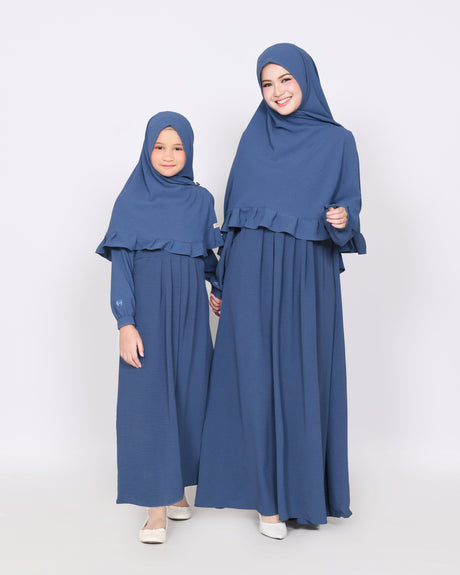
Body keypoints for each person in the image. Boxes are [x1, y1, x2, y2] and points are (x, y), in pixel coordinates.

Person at [195, 43, 366, 539]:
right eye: (267, 83)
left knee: (301, 377)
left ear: (305, 78)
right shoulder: (254, 138)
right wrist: (221, 282)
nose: (277, 91)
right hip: (250, 274)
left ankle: (302, 495)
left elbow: (348, 208)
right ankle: (267, 502)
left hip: (307, 274)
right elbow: (234, 217)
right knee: (253, 378)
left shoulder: (338, 141)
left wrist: (342, 219)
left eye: (285, 79)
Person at [96, 112, 223, 544]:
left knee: (189, 398)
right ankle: (156, 511)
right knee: (149, 405)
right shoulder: (130, 200)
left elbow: (205, 256)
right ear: (147, 149)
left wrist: (219, 287)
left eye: (178, 147)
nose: (168, 156)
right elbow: (121, 267)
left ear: (189, 151)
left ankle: (177, 489)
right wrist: (125, 322)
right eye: (159, 147)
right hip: (147, 318)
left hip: (190, 317)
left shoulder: (201, 200)